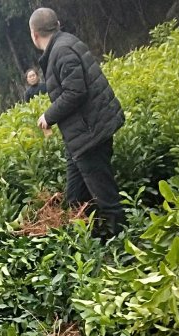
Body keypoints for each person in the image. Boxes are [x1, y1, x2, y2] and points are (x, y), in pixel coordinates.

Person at [29, 7, 125, 236]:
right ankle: (92, 241)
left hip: (90, 134)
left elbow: (76, 92)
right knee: (75, 197)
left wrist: (48, 115)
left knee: (106, 197)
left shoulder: (61, 51)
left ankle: (125, 247)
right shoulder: (65, 44)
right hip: (80, 137)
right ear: (57, 24)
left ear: (34, 34)